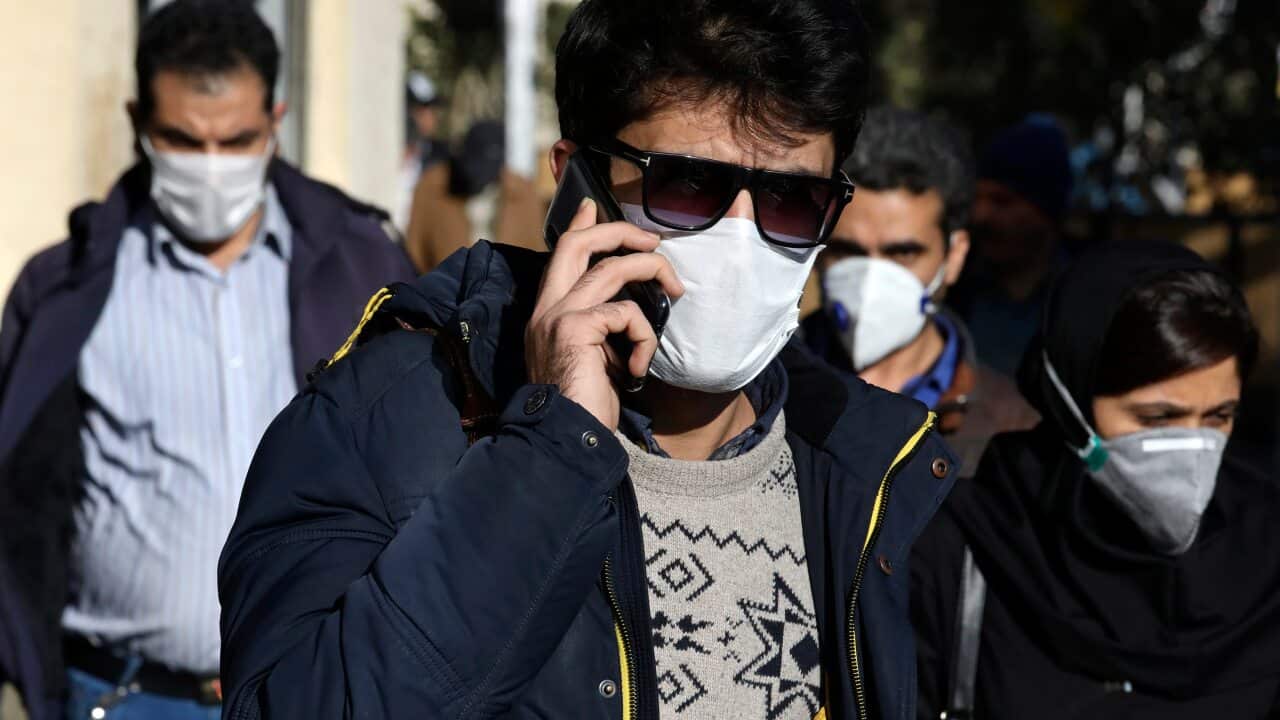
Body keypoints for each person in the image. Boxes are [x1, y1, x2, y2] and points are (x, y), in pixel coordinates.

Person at [218, 0, 959, 718]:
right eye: (689, 183)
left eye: (791, 199)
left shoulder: (865, 464)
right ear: (577, 178)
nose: (742, 237)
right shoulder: (385, 417)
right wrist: (550, 450)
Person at [0, 2, 415, 718]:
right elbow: (20, 498)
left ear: (276, 119)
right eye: (184, 142)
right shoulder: (66, 289)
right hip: (124, 696)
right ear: (138, 121)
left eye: (239, 139)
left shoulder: (359, 271)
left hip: (315, 693)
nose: (213, 168)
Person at [911, 241, 1280, 718]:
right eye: (1156, 419)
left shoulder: (1264, 550)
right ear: (1071, 406)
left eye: (1218, 417)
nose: (1192, 450)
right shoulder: (962, 550)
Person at [804, 106, 1037, 474]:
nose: (871, 280)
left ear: (955, 255)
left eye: (903, 252)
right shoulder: (759, 391)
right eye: (848, 251)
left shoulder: (1012, 427)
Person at [949, 114, 1074, 377]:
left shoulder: (1083, 300)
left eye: (1002, 201)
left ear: (1045, 212)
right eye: (977, 198)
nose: (981, 216)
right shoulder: (953, 291)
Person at [403, 119, 546, 273]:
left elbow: (536, 253)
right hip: (445, 293)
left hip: (510, 293)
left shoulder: (523, 193)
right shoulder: (433, 187)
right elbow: (414, 256)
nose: (478, 177)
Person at [394, 71, 449, 230]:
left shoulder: (439, 157)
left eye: (431, 109)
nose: (430, 116)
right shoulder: (383, 155)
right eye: (421, 109)